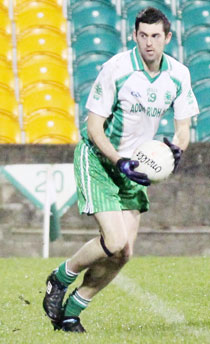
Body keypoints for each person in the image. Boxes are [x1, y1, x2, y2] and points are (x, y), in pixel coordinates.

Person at [42, 7, 199, 333]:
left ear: (168, 38)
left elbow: (183, 128)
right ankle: (61, 276)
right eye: (143, 35)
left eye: (156, 36)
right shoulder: (117, 69)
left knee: (123, 253)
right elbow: (94, 126)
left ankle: (72, 311)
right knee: (113, 240)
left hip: (135, 167)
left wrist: (176, 149)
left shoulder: (179, 75)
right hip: (100, 160)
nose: (149, 43)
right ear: (134, 36)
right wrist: (118, 161)